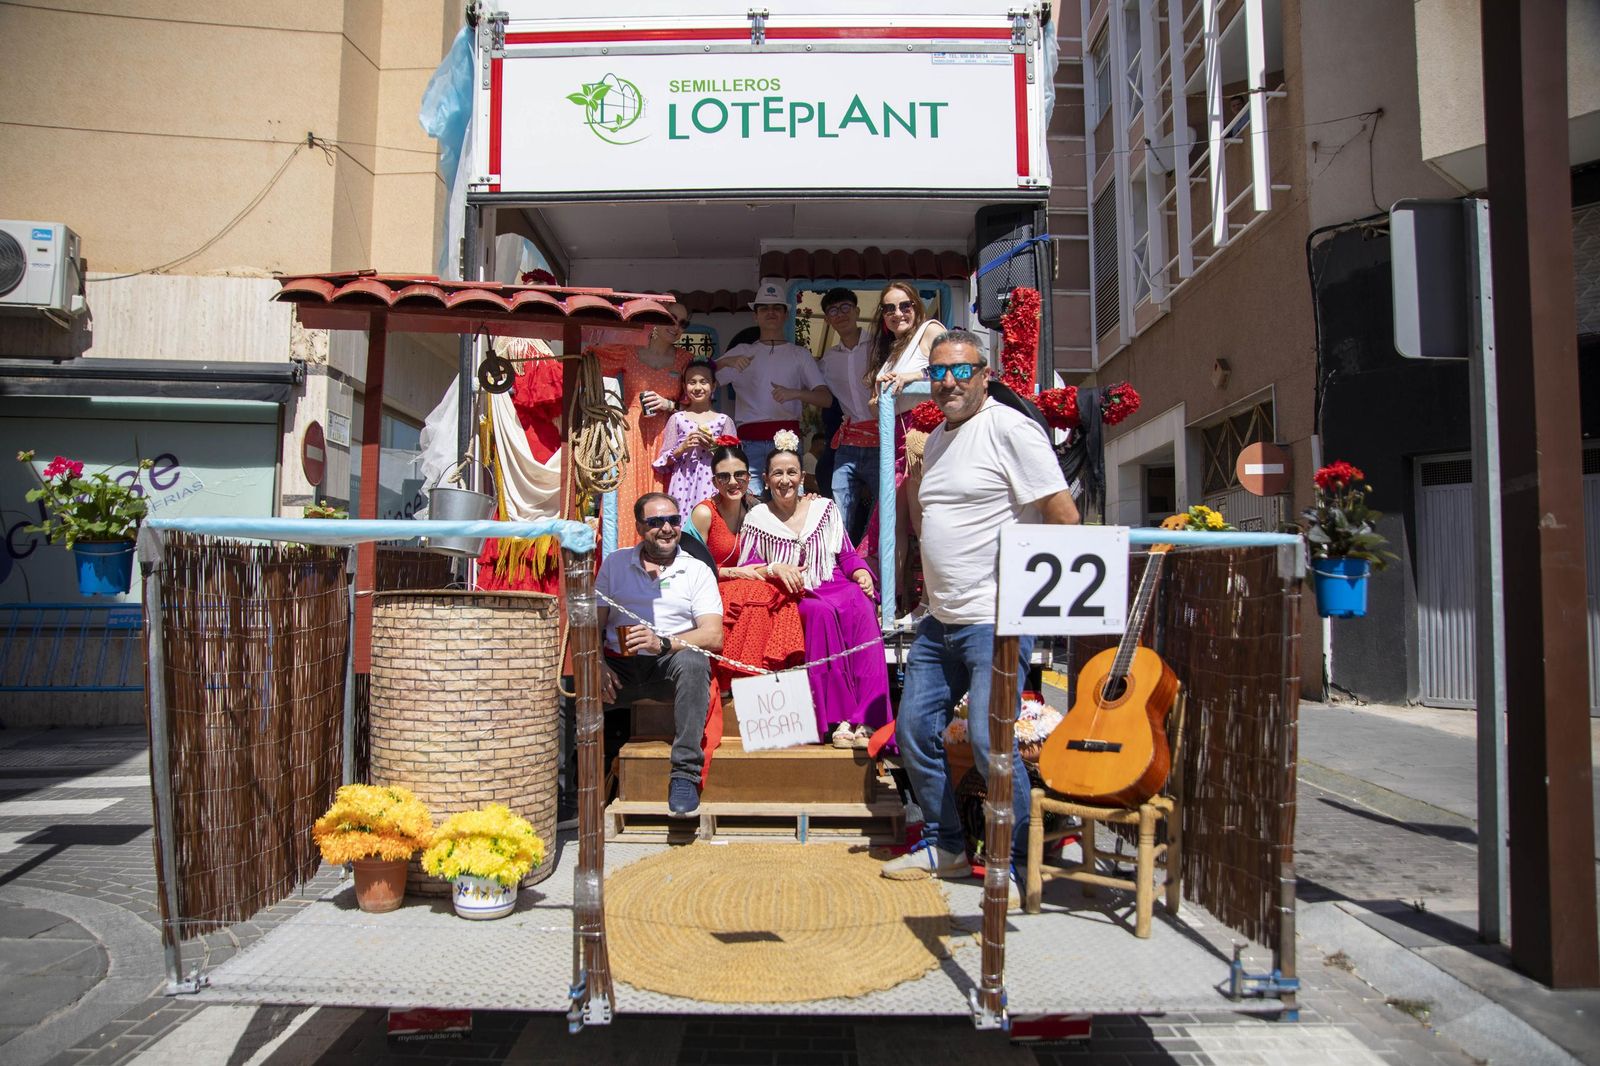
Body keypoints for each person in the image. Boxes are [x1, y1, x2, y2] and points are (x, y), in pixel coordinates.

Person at [880, 330, 1080, 907]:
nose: (949, 382)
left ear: (984, 375)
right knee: (914, 733)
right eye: (938, 372)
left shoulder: (1010, 429)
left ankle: (1010, 865)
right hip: (939, 622)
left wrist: (1029, 601)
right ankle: (946, 845)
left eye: (961, 370)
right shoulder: (939, 441)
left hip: (995, 621)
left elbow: (1063, 517)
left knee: (994, 746)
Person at [736, 433, 890, 748]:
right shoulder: (757, 518)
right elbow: (749, 569)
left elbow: (846, 554)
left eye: (791, 472)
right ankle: (840, 719)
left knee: (861, 604)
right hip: (793, 593)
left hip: (835, 582)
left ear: (802, 476)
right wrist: (775, 568)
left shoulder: (824, 508)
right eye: (777, 473)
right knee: (820, 614)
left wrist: (861, 572)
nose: (785, 480)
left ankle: (869, 718)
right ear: (766, 478)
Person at [596, 492, 725, 816]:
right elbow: (591, 626)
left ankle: (684, 774)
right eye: (655, 522)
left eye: (673, 520)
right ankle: (573, 782)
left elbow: (713, 635)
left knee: (694, 661)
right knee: (570, 681)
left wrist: (663, 643)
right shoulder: (615, 563)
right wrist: (596, 663)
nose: (666, 528)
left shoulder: (696, 570)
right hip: (618, 667)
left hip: (667, 664)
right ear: (640, 527)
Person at [691, 441, 807, 681]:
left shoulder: (756, 508)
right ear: (714, 482)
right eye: (724, 477)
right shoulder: (705, 512)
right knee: (758, 596)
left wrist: (809, 498)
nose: (733, 482)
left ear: (749, 477)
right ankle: (741, 675)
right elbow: (691, 567)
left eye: (739, 475)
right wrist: (733, 573)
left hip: (749, 582)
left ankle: (774, 673)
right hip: (713, 587)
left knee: (782, 596)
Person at [716, 278, 832, 494]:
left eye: (776, 308)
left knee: (788, 503)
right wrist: (726, 362)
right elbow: (704, 378)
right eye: (764, 308)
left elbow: (825, 398)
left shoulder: (799, 354)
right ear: (755, 315)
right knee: (750, 504)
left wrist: (795, 393)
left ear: (785, 314)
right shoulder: (742, 351)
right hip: (749, 442)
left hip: (787, 442)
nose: (770, 312)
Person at [596, 302, 694, 548]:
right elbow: (590, 362)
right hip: (631, 436)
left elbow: (695, 408)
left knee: (665, 498)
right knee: (625, 498)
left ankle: (662, 557)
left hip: (668, 440)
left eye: (683, 323)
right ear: (656, 320)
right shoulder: (628, 350)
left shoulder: (686, 360)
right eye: (671, 319)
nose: (677, 327)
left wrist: (668, 404)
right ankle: (623, 555)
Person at [816, 287, 879, 543]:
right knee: (840, 503)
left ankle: (869, 556)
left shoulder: (879, 346)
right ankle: (842, 557)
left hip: (882, 439)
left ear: (857, 311)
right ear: (827, 319)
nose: (840, 314)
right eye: (833, 311)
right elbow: (822, 394)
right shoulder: (828, 360)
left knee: (884, 505)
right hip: (849, 441)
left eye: (845, 308)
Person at [868, 282, 947, 478]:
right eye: (889, 308)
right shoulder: (889, 353)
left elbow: (953, 369)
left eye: (905, 306)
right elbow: (874, 409)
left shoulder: (930, 330)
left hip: (925, 433)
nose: (898, 313)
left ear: (916, 306)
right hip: (894, 438)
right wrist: (877, 399)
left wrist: (913, 376)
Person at [653, 359, 736, 516]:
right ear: (684, 387)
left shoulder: (724, 421)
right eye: (692, 382)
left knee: (711, 521)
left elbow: (733, 460)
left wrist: (713, 447)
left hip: (713, 484)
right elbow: (664, 460)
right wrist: (683, 447)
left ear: (714, 386)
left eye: (703, 382)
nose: (698, 387)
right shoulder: (677, 419)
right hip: (682, 484)